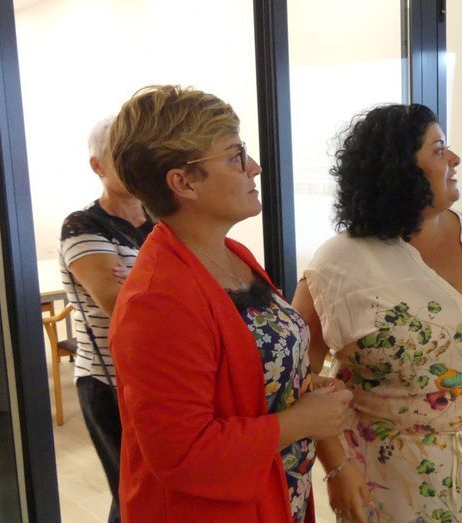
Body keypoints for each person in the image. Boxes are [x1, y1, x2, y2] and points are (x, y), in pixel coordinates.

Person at [292, 103, 462, 522]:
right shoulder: (338, 264)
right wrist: (337, 467)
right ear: (399, 169)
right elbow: (299, 377)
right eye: (439, 149)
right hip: (391, 486)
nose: (455, 158)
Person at [107, 85, 355, 523]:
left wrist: (297, 389)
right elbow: (183, 453)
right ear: (183, 182)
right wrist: (303, 421)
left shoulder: (231, 255)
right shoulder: (157, 301)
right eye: (235, 156)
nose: (254, 167)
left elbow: (247, 379)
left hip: (277, 492)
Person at [59, 116, 154, 523]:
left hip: (162, 377)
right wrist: (167, 283)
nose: (135, 165)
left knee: (160, 493)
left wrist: (139, 279)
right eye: (122, 156)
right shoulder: (83, 226)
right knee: (132, 495)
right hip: (109, 381)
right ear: (98, 165)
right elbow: (121, 307)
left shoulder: (163, 221)